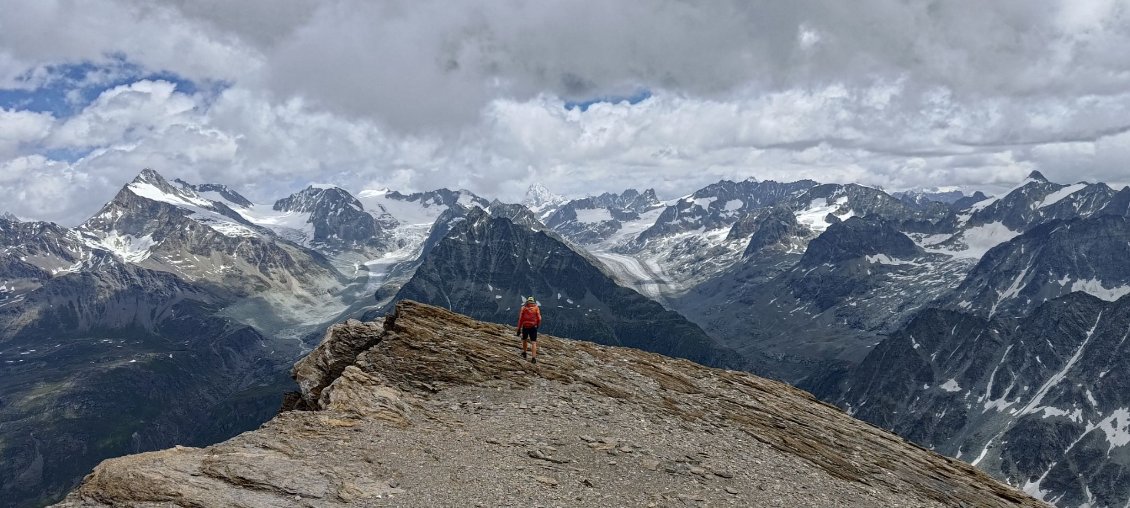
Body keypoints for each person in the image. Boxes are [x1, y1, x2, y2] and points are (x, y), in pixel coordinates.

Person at [516, 296, 541, 363]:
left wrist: (519, 329)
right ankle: (533, 358)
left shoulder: (523, 308)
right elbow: (539, 318)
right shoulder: (536, 308)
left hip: (525, 326)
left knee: (524, 340)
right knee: (533, 342)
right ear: (533, 301)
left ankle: (524, 352)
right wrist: (538, 325)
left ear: (527, 301)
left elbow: (520, 319)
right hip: (533, 327)